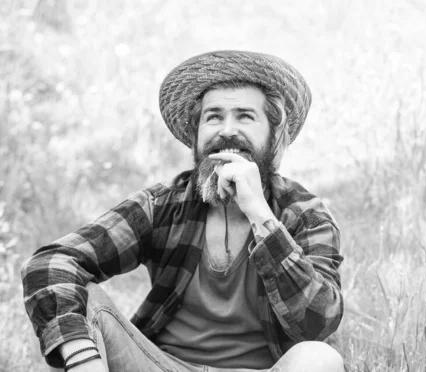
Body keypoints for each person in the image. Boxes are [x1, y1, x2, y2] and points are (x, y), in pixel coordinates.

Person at [21, 50, 345, 372]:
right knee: (84, 301)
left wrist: (261, 216)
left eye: (245, 116)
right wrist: (83, 362)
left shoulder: (305, 215)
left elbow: (318, 322)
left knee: (321, 359)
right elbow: (51, 263)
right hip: (160, 366)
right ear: (196, 136)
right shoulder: (162, 206)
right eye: (214, 116)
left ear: (274, 138)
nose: (227, 130)